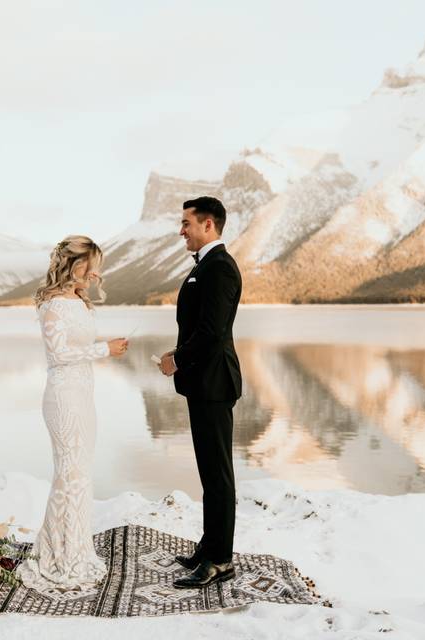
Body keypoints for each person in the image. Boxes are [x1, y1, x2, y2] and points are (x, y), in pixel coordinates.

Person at [18, 235, 128, 590]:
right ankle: (57, 555)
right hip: (63, 396)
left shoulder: (79, 302)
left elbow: (78, 341)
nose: (97, 273)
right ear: (76, 265)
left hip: (84, 394)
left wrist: (85, 289)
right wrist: (104, 350)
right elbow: (60, 354)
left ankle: (76, 549)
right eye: (91, 265)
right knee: (69, 474)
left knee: (80, 473)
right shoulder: (52, 305)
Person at [157, 196, 243, 589]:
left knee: (218, 474)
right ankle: (209, 547)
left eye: (186, 224)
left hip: (214, 383)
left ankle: (220, 560)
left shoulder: (221, 268)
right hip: (203, 383)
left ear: (208, 225)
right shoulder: (207, 266)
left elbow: (213, 333)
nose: (181, 231)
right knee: (209, 472)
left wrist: (176, 359)